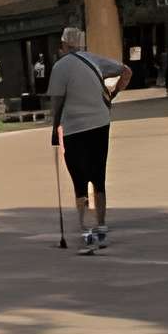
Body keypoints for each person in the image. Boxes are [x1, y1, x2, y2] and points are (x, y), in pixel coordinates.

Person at [44, 22, 124, 252]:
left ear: (63, 45)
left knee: (79, 181)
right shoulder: (94, 60)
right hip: (100, 123)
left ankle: (87, 234)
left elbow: (57, 103)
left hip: (75, 128)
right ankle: (101, 230)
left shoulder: (60, 67)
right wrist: (112, 95)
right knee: (98, 177)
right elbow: (125, 71)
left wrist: (54, 130)